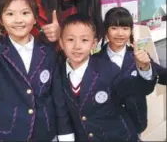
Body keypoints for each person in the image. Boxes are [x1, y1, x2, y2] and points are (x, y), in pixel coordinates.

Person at [0, 0, 74, 141]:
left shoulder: (48, 51)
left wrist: (65, 134)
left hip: (45, 131)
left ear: (35, 17)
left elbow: (58, 97)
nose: (18, 20)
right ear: (1, 19)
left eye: (25, 13)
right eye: (10, 14)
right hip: (9, 131)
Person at [58, 13, 155, 141]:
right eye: (70, 39)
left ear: (93, 44)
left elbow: (136, 89)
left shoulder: (109, 69)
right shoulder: (58, 73)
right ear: (61, 42)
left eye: (84, 40)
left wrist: (144, 68)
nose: (77, 46)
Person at [98, 7, 151, 134]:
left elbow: (152, 83)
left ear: (131, 31)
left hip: (135, 122)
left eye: (125, 28)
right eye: (114, 28)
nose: (120, 34)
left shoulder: (139, 56)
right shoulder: (94, 60)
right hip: (107, 126)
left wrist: (145, 67)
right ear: (106, 31)